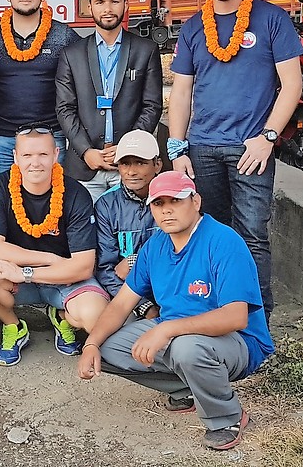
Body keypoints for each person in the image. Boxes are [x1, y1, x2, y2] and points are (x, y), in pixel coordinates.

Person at [77, 171, 274, 452]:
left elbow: (235, 317)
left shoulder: (223, 241)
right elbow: (121, 304)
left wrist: (166, 328)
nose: (167, 210)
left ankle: (226, 418)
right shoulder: (154, 246)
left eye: (176, 201)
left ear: (196, 201)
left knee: (187, 349)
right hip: (179, 332)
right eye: (158, 204)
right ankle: (188, 391)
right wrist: (91, 344)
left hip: (239, 342)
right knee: (107, 348)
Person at [168, 0, 303, 316]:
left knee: (252, 237)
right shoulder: (194, 27)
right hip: (202, 149)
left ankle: (257, 322)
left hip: (251, 149)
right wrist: (177, 148)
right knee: (208, 234)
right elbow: (180, 92)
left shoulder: (272, 18)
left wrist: (268, 139)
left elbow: (292, 84)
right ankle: (215, 310)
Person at [0, 126, 107, 366]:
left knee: (96, 315)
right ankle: (13, 326)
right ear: (15, 157)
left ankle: (61, 316)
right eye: (27, 155)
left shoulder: (76, 193)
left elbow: (83, 267)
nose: (35, 163)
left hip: (64, 278)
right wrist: (48, 259)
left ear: (56, 154)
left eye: (43, 155)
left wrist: (28, 271)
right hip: (22, 275)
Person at [55, 0, 163, 201]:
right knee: (86, 234)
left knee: (132, 231)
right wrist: (86, 151)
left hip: (129, 165)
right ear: (90, 6)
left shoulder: (146, 50)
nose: (108, 9)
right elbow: (65, 108)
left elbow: (152, 106)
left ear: (125, 2)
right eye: (100, 2)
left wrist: (128, 147)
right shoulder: (71, 54)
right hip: (85, 166)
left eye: (114, 1)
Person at [0, 0, 80, 178]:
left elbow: (84, 81)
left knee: (52, 201)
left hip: (50, 135)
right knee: (1, 201)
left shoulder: (63, 36)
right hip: (3, 138)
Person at [93, 129, 162, 319]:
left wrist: (134, 260)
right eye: (124, 163)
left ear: (157, 164)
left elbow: (185, 252)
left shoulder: (172, 198)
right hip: (126, 294)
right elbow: (106, 269)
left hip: (171, 290)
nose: (131, 171)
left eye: (140, 163)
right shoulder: (106, 205)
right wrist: (144, 306)